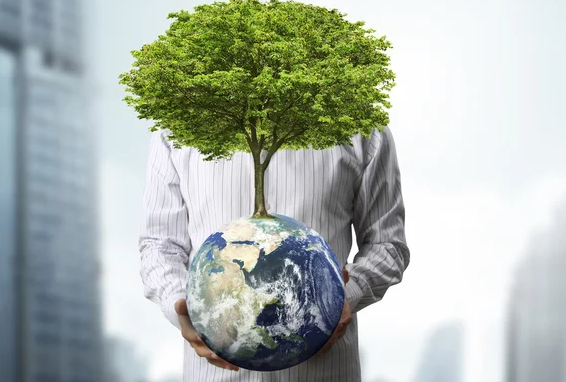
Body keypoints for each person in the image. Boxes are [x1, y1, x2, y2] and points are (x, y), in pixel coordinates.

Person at [139, 125, 410, 382]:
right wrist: (179, 305)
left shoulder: (362, 127)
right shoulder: (176, 127)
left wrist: (342, 298)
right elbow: (160, 244)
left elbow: (387, 244)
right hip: (215, 372)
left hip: (324, 372)